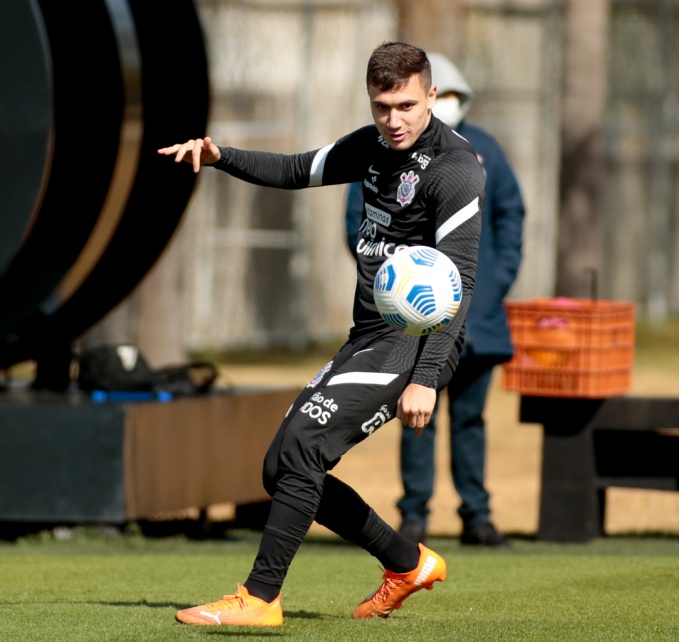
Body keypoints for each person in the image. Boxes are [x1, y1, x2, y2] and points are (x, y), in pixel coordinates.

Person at [157, 41, 485, 627]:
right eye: (382, 105)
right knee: (281, 467)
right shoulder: (372, 146)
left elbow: (457, 282)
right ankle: (406, 563)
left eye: (406, 105)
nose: (394, 119)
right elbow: (292, 169)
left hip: (414, 346)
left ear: (432, 96)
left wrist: (427, 379)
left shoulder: (456, 171)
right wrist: (217, 155)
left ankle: (259, 599)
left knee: (303, 450)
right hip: (369, 338)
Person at [345, 53, 525, 548]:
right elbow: (359, 221)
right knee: (414, 415)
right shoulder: (381, 152)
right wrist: (391, 287)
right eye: (386, 104)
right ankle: (414, 516)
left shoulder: (481, 150)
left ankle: (477, 515)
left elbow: (512, 217)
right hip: (407, 323)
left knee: (470, 419)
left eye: (446, 97)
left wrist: (491, 284)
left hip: (478, 320)